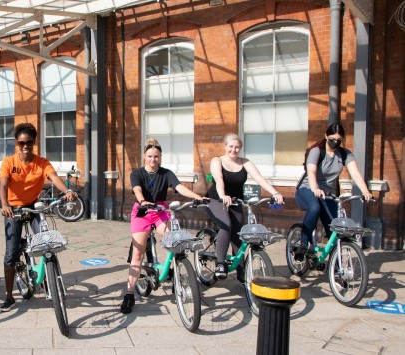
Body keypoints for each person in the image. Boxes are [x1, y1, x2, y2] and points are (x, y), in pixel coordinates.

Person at [120, 138, 205, 314]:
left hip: (160, 210)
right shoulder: (137, 173)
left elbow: (179, 187)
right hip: (142, 210)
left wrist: (197, 197)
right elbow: (137, 190)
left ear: (160, 157)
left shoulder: (166, 173)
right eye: (150, 156)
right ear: (144, 156)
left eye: (156, 156)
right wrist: (143, 200)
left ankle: (174, 273)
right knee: (138, 253)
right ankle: (129, 293)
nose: (153, 159)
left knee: (174, 239)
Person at [0, 123, 76, 312]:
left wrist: (67, 191)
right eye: (21, 143)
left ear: (34, 143)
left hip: (33, 204)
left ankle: (49, 277)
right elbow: (2, 185)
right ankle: (9, 296)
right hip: (14, 208)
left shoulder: (42, 162)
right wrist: (4, 205)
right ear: (16, 143)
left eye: (29, 143)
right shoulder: (9, 162)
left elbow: (55, 178)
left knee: (46, 241)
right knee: (11, 253)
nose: (25, 146)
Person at [204, 133, 283, 280]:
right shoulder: (217, 160)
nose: (233, 150)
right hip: (215, 199)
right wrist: (222, 196)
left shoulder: (245, 162)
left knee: (238, 234)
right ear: (225, 146)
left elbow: (259, 178)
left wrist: (275, 193)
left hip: (235, 201)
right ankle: (220, 263)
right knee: (226, 225)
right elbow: (219, 179)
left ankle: (241, 273)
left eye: (237, 147)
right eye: (231, 147)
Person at [294, 123, 372, 261]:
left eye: (339, 140)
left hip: (327, 193)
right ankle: (303, 244)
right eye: (332, 140)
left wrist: (365, 191)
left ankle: (336, 268)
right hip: (307, 188)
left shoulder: (344, 154)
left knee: (335, 226)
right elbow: (311, 172)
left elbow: (355, 174)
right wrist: (315, 189)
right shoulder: (317, 151)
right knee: (315, 207)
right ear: (326, 136)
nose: (335, 143)